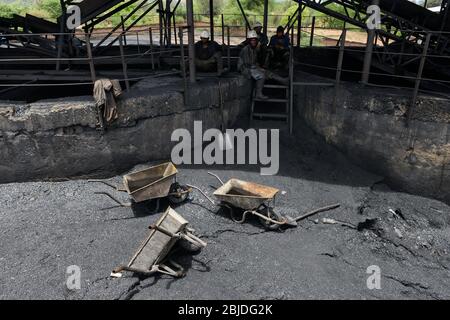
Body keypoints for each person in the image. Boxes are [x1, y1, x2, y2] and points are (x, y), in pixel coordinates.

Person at [238, 30, 288, 100]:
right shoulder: (245, 50)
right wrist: (258, 68)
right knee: (261, 76)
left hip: (252, 67)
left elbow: (254, 62)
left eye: (255, 40)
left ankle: (284, 81)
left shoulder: (253, 49)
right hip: (245, 69)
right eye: (252, 40)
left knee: (268, 72)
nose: (254, 42)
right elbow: (248, 64)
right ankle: (258, 94)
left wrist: (259, 68)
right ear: (249, 41)